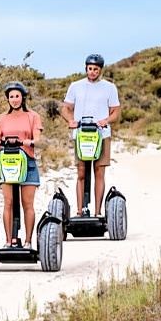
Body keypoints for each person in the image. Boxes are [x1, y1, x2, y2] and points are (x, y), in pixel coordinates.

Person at [61, 53, 121, 216]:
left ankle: (97, 211)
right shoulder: (76, 86)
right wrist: (71, 120)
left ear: (100, 70)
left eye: (96, 69)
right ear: (86, 68)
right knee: (81, 172)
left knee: (99, 171)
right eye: (90, 68)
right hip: (81, 135)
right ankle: (80, 211)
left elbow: (116, 111)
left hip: (102, 134)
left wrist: (106, 120)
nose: (92, 72)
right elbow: (66, 108)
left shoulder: (109, 87)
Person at [0, 82, 43, 247]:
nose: (14, 99)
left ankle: (27, 241)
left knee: (27, 203)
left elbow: (37, 139)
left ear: (23, 97)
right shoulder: (3, 118)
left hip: (27, 161)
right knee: (9, 202)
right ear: (7, 99)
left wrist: (28, 141)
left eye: (17, 96)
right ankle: (9, 241)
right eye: (11, 96)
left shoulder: (33, 116)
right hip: (8, 162)